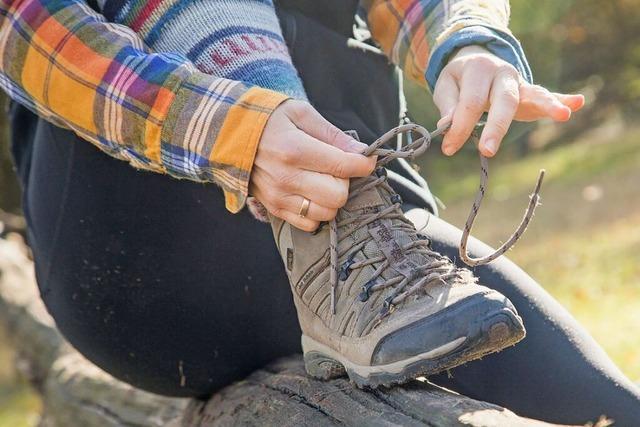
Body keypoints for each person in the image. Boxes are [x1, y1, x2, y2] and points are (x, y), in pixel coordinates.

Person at [1, 0, 639, 424]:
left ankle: (351, 237)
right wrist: (232, 133)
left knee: (607, 410)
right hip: (142, 248)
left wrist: (464, 42)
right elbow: (21, 24)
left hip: (375, 252)